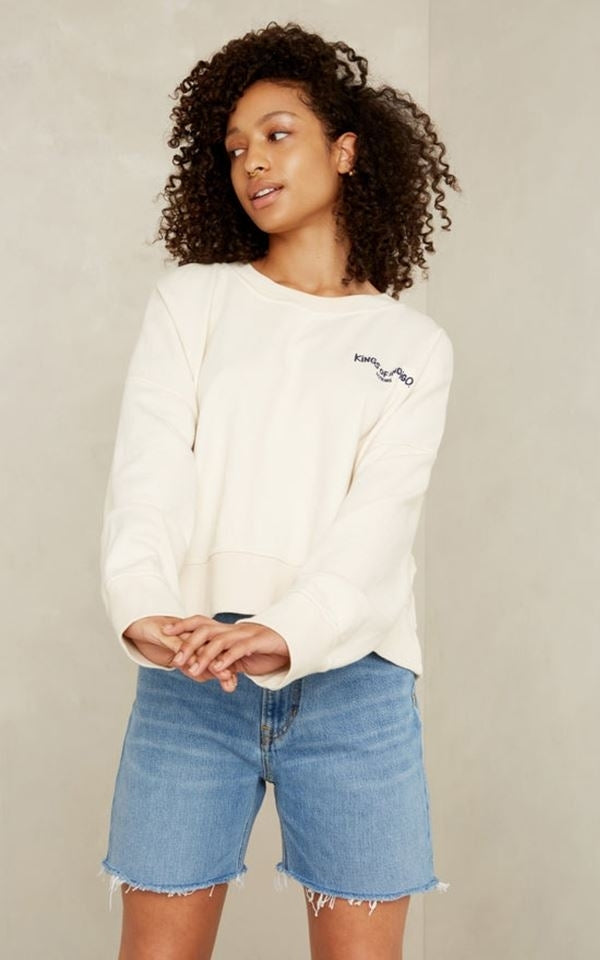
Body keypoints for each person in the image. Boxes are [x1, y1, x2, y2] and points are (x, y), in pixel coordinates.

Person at [98, 20, 460, 960]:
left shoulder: (414, 347)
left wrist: (291, 628)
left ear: (346, 150)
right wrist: (141, 605)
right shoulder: (194, 302)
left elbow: (379, 524)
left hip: (355, 686)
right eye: (233, 148)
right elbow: (147, 474)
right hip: (192, 673)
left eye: (278, 134)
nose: (252, 161)